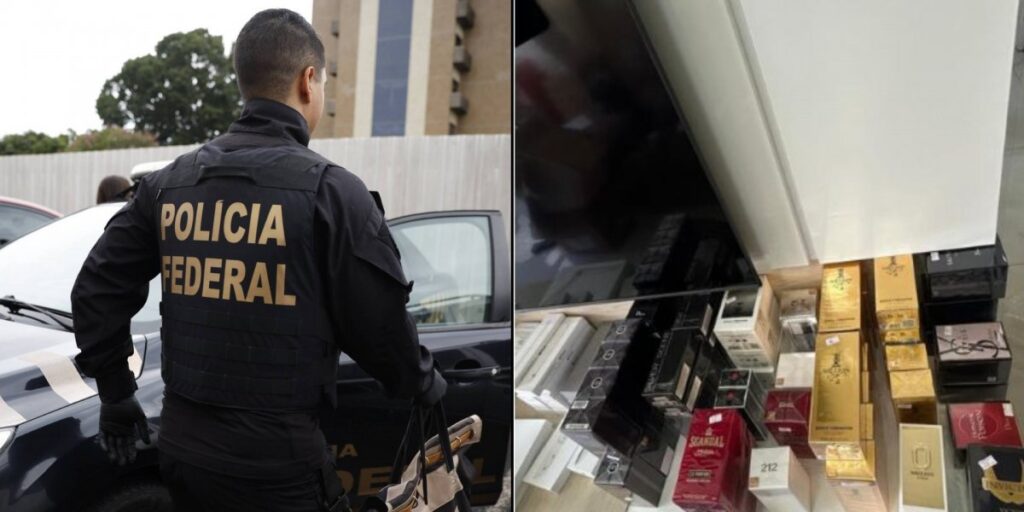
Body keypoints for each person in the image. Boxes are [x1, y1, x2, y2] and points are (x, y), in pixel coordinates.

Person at [70, 9, 445, 512]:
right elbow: (379, 327)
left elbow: (96, 289)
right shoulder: (332, 193)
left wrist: (117, 394)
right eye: (324, 84)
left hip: (183, 455)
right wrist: (424, 382)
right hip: (276, 472)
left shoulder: (166, 186)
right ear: (308, 81)